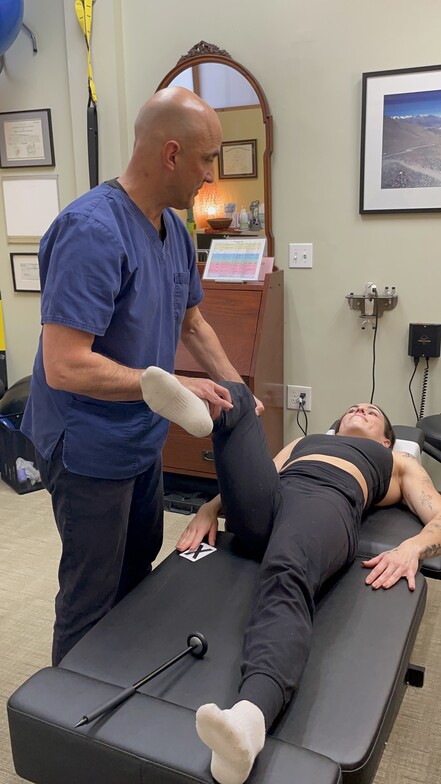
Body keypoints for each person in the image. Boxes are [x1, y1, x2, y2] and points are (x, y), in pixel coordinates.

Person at [21, 86, 262, 667]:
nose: (211, 174)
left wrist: (238, 392)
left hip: (139, 437)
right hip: (86, 444)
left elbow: (195, 324)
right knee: (91, 590)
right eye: (207, 159)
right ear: (172, 154)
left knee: (139, 563)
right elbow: (65, 364)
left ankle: (121, 693)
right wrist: (176, 392)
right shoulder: (92, 231)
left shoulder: (175, 230)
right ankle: (70, 729)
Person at [142, 368, 441, 784]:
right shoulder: (305, 441)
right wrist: (211, 507)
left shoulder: (396, 460)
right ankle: (209, 414)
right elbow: (260, 476)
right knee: (238, 399)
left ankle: (249, 720)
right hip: (270, 502)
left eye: (371, 411)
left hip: (327, 501)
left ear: (387, 439)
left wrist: (411, 547)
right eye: (354, 407)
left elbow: (438, 516)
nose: (360, 408)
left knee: (286, 573)